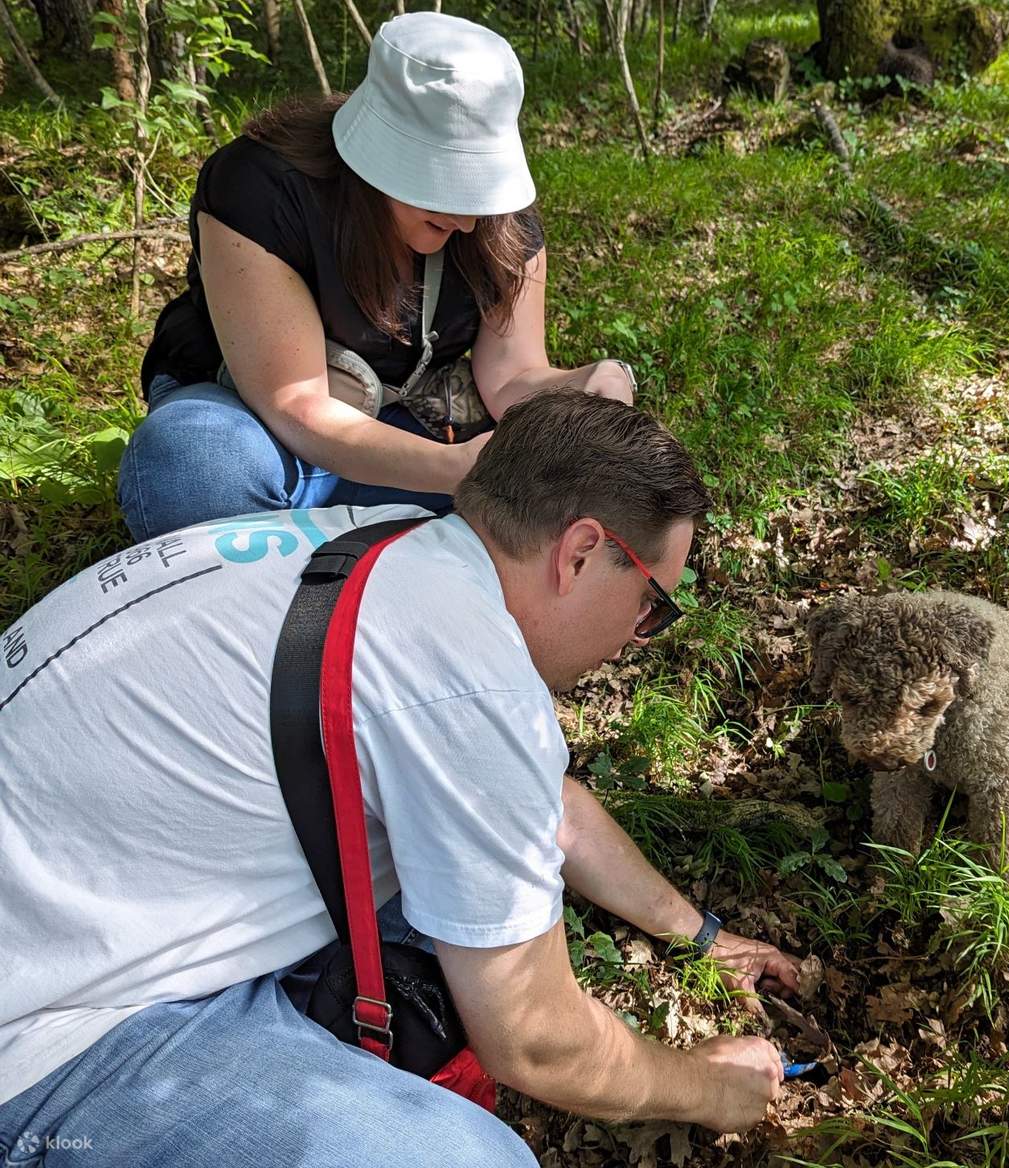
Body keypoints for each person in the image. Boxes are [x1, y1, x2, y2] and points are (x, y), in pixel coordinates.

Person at [0, 392, 801, 1166]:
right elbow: (535, 1040)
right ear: (582, 552)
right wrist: (708, 1087)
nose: (638, 636)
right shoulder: (467, 677)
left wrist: (701, 935)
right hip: (48, 1028)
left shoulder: (387, 545)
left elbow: (543, 810)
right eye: (651, 605)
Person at [117, 12, 636, 543]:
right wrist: (460, 471)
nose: (469, 221)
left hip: (413, 437)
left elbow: (511, 376)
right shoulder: (263, 188)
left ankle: (315, 546)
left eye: (479, 192)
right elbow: (296, 404)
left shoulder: (501, 224)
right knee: (194, 467)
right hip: (263, 432)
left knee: (567, 498)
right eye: (444, 190)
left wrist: (584, 386)